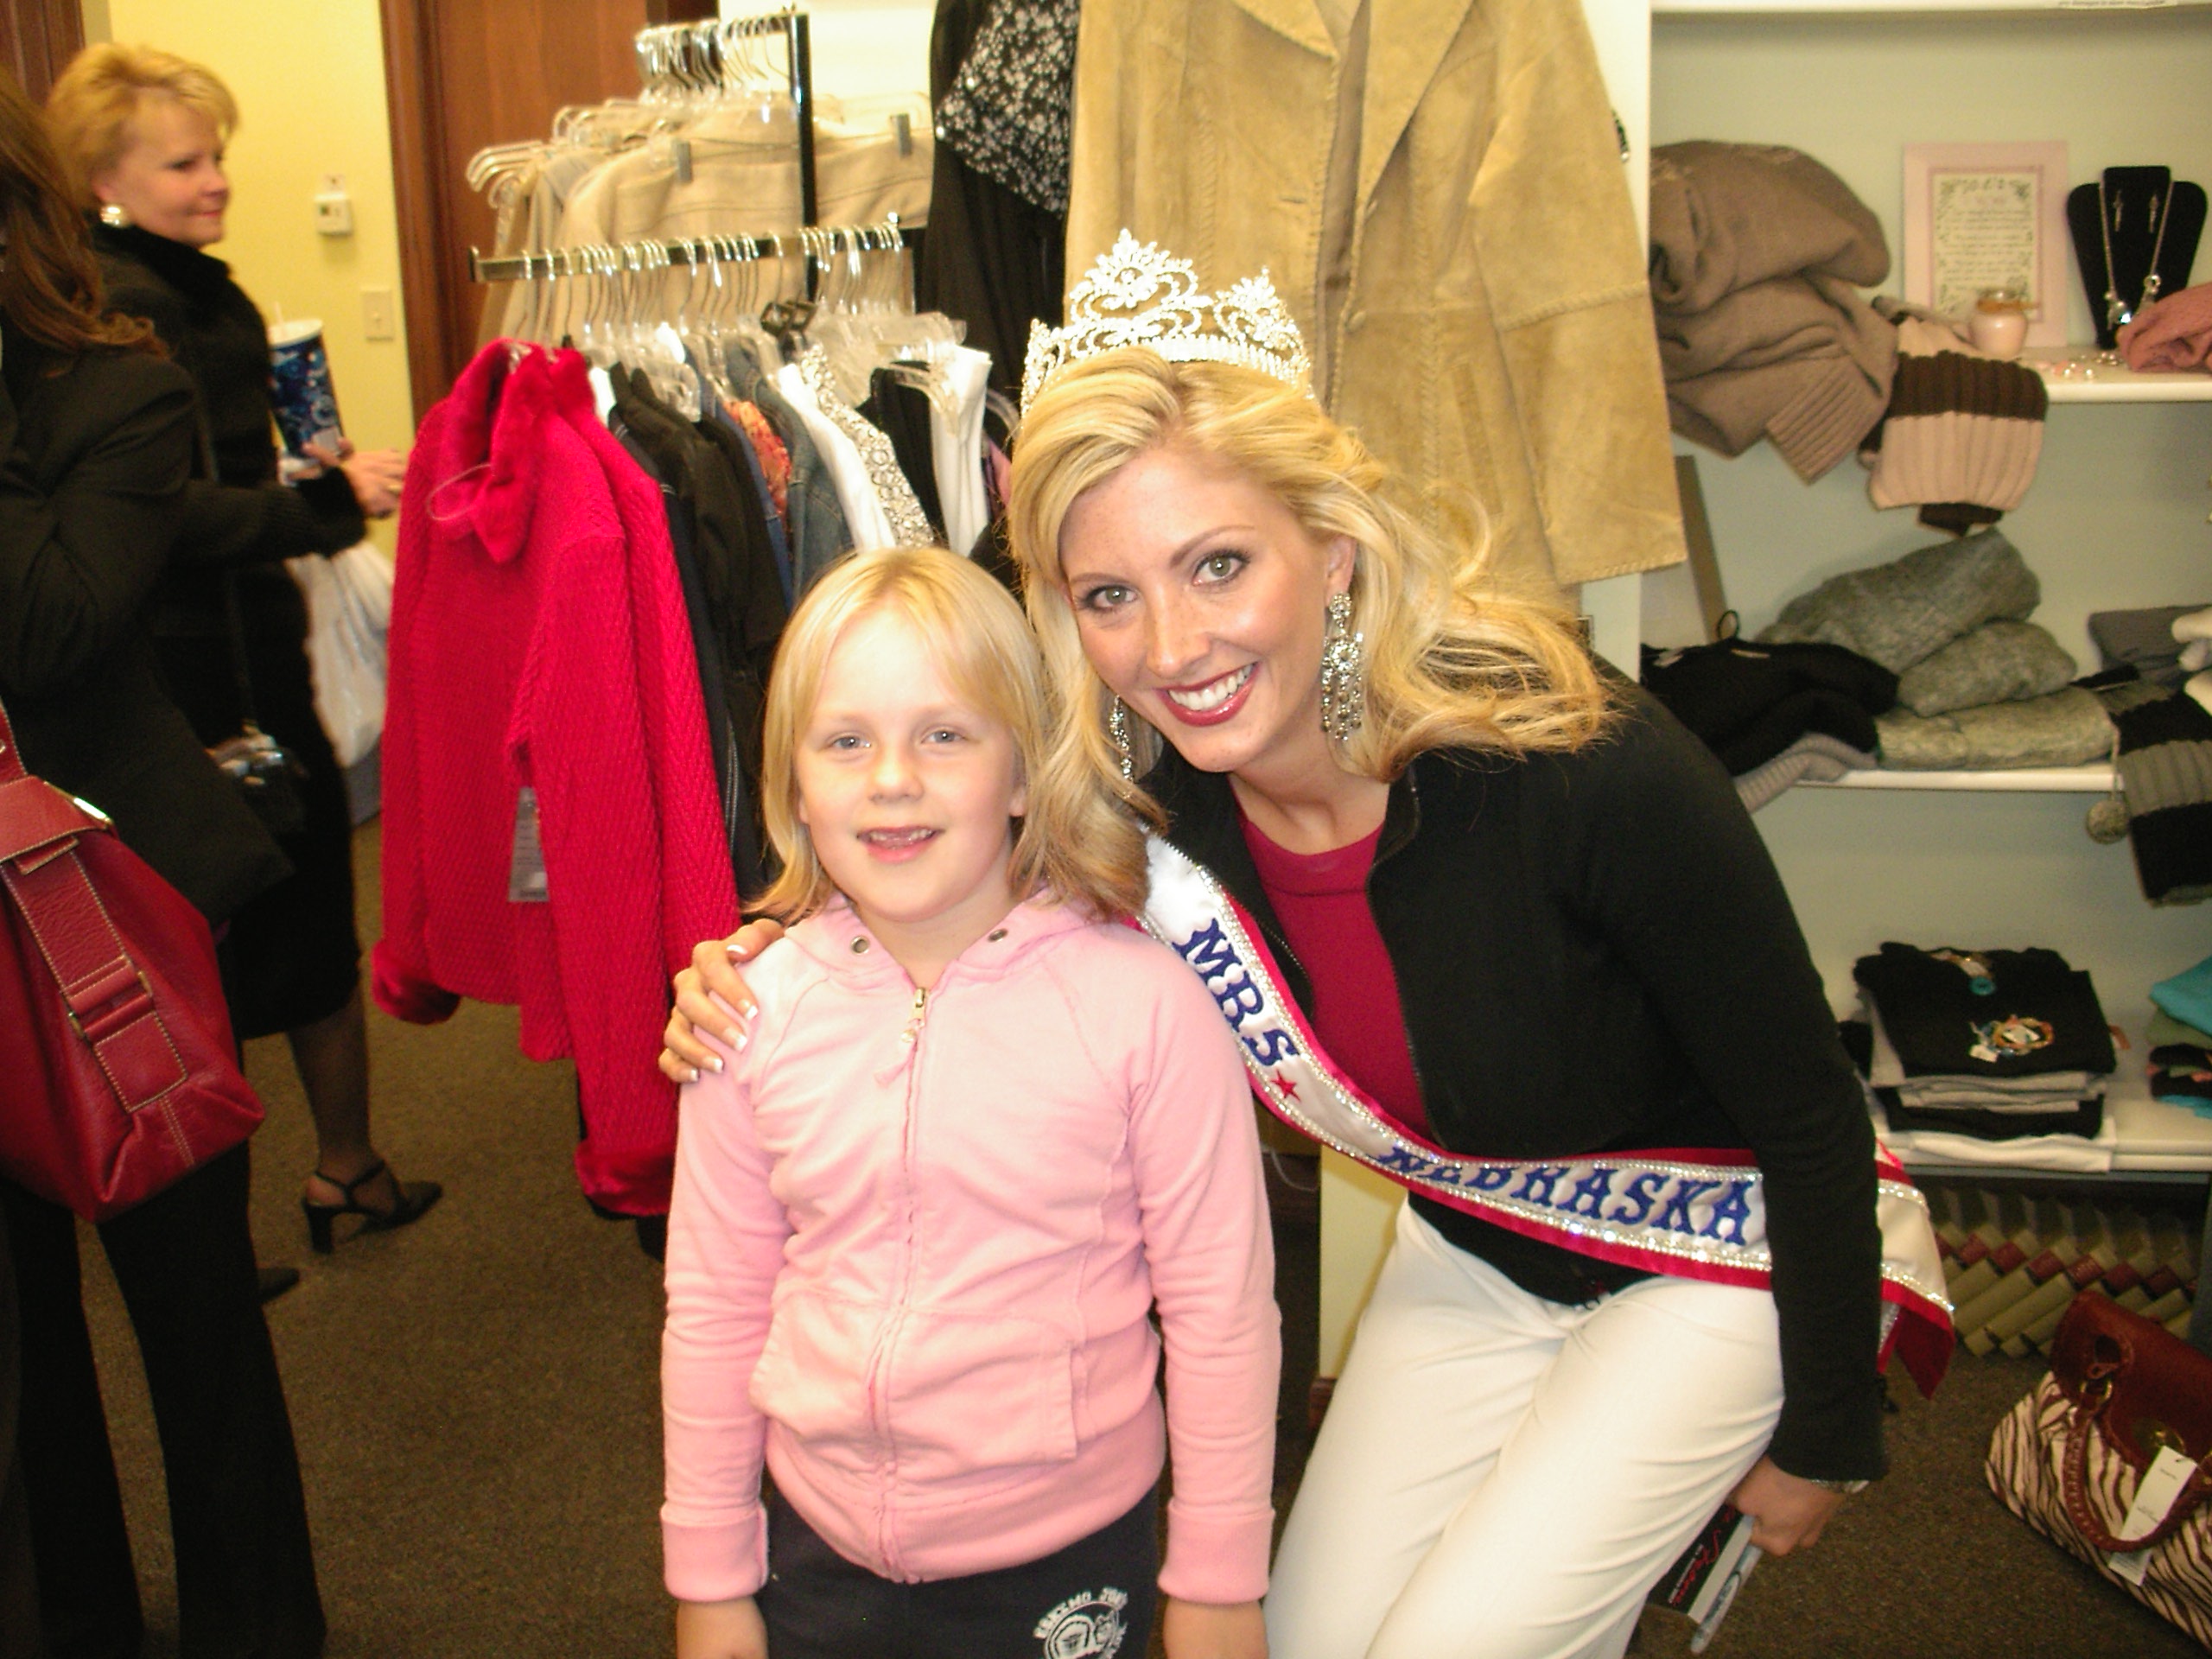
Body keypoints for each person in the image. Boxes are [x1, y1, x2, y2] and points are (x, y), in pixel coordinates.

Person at [662, 239, 1949, 1659]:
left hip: (1719, 1257)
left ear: (1332, 553)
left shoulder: (1580, 766)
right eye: (1109, 595)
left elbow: (1810, 1113)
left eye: (1218, 565)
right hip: (1480, 1247)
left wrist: (1828, 1433)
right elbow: (922, 776)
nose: (1173, 646)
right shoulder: (1152, 800)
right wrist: (771, 943)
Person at [662, 544, 1278, 1659]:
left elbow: (1220, 1312)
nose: (892, 778)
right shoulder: (745, 1012)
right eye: (845, 742)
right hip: (813, 1544)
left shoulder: (1144, 1009)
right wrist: (708, 1576)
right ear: (793, 787)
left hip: (1063, 1554)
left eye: (945, 735)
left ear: (1024, 772)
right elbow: (714, 1305)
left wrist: (1219, 1581)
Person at [0, 62, 324, 1659]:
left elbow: (55, 631)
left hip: (111, 904)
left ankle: (258, 1625)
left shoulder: (114, 390)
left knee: (196, 1326)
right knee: (23, 1352)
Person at [44, 43, 435, 1252]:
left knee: (262, 923)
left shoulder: (166, 289)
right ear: (104, 178)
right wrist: (325, 507)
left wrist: (307, 478)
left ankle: (318, 1185)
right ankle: (285, 1200)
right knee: (236, 930)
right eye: (184, 164)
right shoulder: (139, 306)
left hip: (224, 647)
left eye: (215, 156)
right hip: (204, 667)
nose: (215, 180)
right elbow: (160, 513)